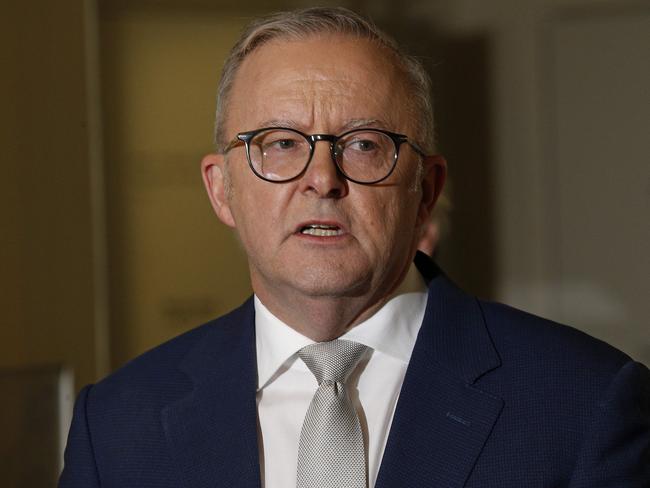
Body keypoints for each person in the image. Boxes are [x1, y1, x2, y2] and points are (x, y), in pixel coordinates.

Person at [59, 7, 649, 488]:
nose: (322, 178)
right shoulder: (114, 426)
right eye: (281, 143)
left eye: (364, 144)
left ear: (427, 191)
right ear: (222, 190)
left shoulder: (588, 404)